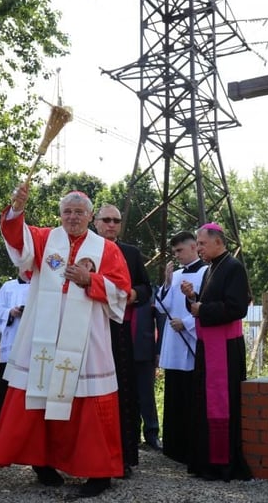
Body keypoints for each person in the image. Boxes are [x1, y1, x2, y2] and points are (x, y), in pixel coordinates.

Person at [0, 186, 131, 499]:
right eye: (67, 211)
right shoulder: (43, 239)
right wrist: (16, 209)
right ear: (60, 215)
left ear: (90, 216)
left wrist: (89, 280)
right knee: (38, 396)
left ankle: (98, 471)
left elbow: (122, 291)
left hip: (88, 337)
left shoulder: (106, 249)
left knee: (89, 400)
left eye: (79, 212)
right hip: (44, 335)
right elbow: (17, 243)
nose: (73, 217)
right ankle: (42, 462)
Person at [182, 223, 252, 481]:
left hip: (225, 349)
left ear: (218, 242)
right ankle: (206, 461)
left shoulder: (234, 268)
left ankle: (222, 463)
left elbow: (237, 308)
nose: (198, 248)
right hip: (210, 346)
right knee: (206, 403)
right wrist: (193, 298)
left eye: (201, 243)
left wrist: (202, 309)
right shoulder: (211, 267)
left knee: (221, 404)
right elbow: (207, 303)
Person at [94, 204, 157, 476]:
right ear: (95, 222)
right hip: (89, 328)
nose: (111, 225)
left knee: (123, 395)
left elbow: (146, 288)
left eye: (116, 221)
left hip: (120, 333)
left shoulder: (130, 252)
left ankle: (124, 458)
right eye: (106, 220)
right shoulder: (85, 249)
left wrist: (132, 295)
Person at [156, 230, 206, 464]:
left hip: (191, 338)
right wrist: (166, 283)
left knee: (191, 395)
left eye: (180, 251)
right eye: (174, 252)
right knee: (174, 394)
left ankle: (191, 446)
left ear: (194, 247)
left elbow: (204, 306)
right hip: (174, 342)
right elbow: (160, 305)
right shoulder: (174, 275)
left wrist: (185, 323)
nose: (177, 256)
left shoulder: (207, 272)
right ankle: (173, 446)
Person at [0, 267, 30, 422]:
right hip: (11, 337)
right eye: (23, 268)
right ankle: (2, 418)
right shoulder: (8, 286)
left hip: (30, 338)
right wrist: (10, 313)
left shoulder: (39, 287)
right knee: (6, 380)